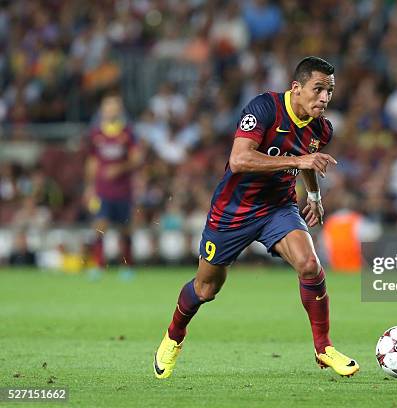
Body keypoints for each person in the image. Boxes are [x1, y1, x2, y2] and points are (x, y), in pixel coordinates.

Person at [154, 56, 359, 379]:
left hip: (278, 207)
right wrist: (301, 160)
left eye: (329, 91)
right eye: (318, 89)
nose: (324, 98)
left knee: (309, 265)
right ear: (296, 88)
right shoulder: (265, 108)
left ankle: (323, 348)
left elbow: (307, 163)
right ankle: (174, 335)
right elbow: (239, 159)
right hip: (233, 210)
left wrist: (315, 195)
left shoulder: (322, 128)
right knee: (206, 289)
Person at [84, 95, 141, 279]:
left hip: (123, 190)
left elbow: (136, 158)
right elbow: (92, 161)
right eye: (108, 107)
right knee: (100, 226)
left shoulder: (127, 133)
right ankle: (99, 265)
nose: (111, 110)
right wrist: (89, 186)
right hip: (102, 190)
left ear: (119, 110)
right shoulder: (96, 134)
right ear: (102, 110)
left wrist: (120, 168)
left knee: (125, 228)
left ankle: (127, 266)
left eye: (114, 107)